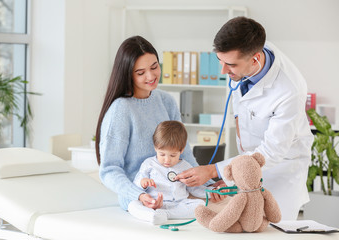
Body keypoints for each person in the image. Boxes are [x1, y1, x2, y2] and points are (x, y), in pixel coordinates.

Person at [175, 17, 314, 220]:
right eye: (220, 61)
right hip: (248, 162)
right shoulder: (247, 53)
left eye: (230, 65)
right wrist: (234, 176)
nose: (223, 71)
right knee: (248, 224)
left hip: (282, 167)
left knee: (275, 227)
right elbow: (241, 109)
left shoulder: (289, 90)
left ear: (255, 59)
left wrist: (215, 170)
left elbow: (272, 152)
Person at [95, 36, 221, 212]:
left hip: (176, 192)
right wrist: (138, 194)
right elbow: (109, 170)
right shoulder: (120, 110)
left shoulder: (166, 101)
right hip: (141, 198)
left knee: (218, 209)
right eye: (141, 73)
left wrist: (208, 184)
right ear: (128, 74)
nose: (151, 76)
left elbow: (184, 154)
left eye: (154, 67)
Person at [128, 121, 219, 224]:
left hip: (178, 204)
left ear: (182, 150)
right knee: (132, 205)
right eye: (162, 154)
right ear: (155, 147)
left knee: (200, 205)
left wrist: (211, 192)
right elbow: (136, 183)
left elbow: (194, 188)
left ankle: (166, 215)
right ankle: (152, 215)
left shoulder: (186, 166)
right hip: (152, 203)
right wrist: (143, 182)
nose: (167, 160)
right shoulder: (149, 164)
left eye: (173, 155)